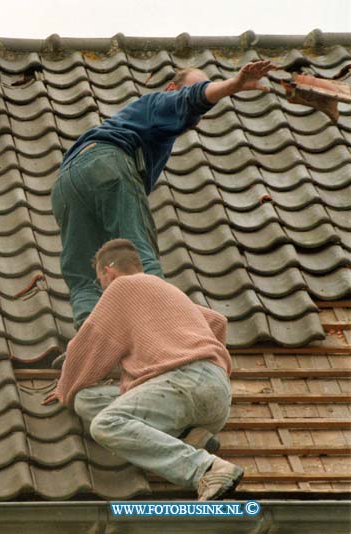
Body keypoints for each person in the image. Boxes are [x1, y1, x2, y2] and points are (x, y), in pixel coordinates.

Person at [52, 60, 276, 336]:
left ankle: (91, 341)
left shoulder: (148, 126)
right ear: (173, 88)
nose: (205, 99)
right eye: (201, 88)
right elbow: (190, 99)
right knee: (136, 254)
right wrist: (233, 86)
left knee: (84, 272)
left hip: (66, 182)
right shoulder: (159, 102)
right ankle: (162, 333)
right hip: (107, 164)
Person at [43, 239, 242, 501]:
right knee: (86, 400)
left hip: (181, 385)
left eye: (99, 280)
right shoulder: (168, 292)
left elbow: (88, 343)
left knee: (106, 423)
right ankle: (189, 435)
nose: (101, 288)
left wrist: (64, 387)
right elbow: (217, 321)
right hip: (214, 396)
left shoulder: (122, 287)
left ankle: (205, 468)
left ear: (109, 271)